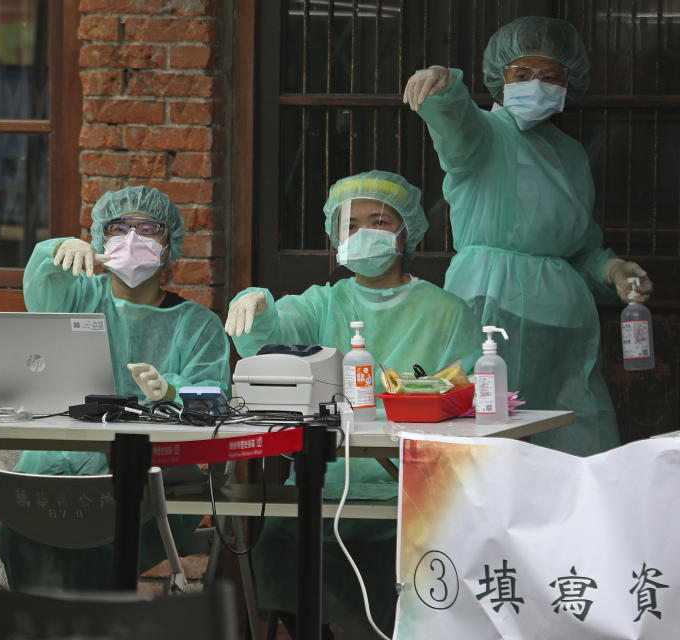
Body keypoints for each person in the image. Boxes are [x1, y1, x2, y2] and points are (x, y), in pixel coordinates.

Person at [0, 185, 231, 640]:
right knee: (10, 544)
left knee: (83, 547)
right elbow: (42, 288)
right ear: (99, 238)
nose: (131, 238)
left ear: (170, 244)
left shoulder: (196, 324)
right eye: (118, 228)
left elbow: (215, 400)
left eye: (147, 229)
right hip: (51, 469)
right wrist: (53, 252)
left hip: (150, 486)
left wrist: (172, 390)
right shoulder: (77, 298)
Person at [225, 170, 481, 637]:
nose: (364, 234)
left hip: (412, 501)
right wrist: (258, 306)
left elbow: (473, 406)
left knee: (409, 565)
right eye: (351, 225)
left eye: (379, 221)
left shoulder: (447, 313)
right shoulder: (323, 304)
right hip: (322, 491)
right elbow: (277, 334)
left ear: (407, 233)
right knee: (278, 545)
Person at [402, 16, 652, 457]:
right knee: (485, 436)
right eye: (522, 74)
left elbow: (577, 246)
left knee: (571, 436)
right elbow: (456, 126)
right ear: (501, 79)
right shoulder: (485, 135)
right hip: (488, 308)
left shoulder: (572, 155)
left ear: (569, 83)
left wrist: (610, 269)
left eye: (550, 76)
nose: (536, 84)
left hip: (561, 326)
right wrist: (444, 89)